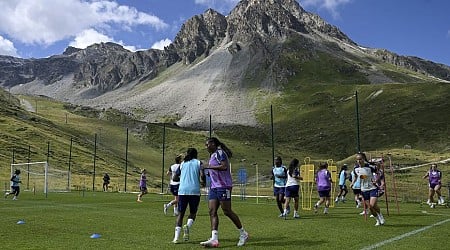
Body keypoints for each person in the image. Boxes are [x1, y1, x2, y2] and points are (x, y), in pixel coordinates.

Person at [200, 137, 249, 248]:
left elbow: (224, 166)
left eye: (208, 144)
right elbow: (213, 170)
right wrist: (207, 174)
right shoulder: (212, 156)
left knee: (227, 211)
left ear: (214, 144)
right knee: (212, 211)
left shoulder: (220, 152)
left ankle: (243, 233)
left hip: (223, 186)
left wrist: (209, 166)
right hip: (214, 187)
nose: (206, 146)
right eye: (205, 145)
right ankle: (214, 239)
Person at [172, 148, 205, 244]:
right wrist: (203, 182)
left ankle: (176, 238)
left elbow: (174, 178)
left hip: (182, 191)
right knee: (193, 212)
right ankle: (187, 226)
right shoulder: (199, 163)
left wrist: (183, 179)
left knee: (180, 214)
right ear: (196, 154)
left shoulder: (182, 164)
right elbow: (202, 175)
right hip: (194, 190)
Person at [354, 152, 385, 226]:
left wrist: (376, 180)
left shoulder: (370, 166)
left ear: (364, 159)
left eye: (360, 159)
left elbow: (378, 173)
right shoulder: (356, 168)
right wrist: (353, 183)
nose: (359, 161)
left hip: (372, 188)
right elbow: (357, 176)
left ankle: (380, 216)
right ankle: (377, 220)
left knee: (372, 205)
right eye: (357, 160)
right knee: (371, 208)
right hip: (364, 189)